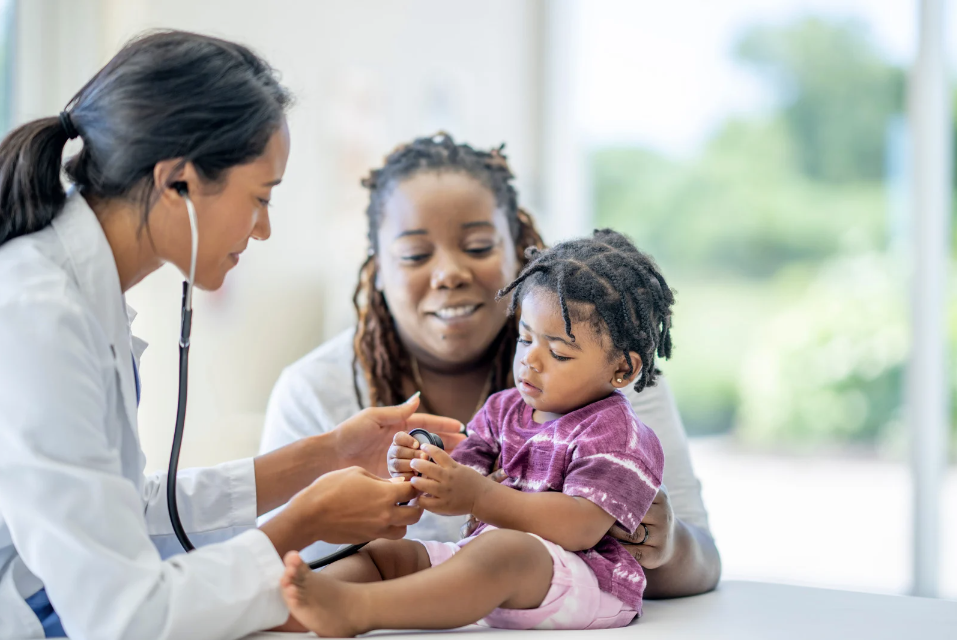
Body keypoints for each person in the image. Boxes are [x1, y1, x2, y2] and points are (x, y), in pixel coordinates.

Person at [0, 32, 460, 640]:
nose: (263, 230)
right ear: (178, 183)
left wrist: (328, 455)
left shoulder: (80, 293)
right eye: (260, 198)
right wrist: (303, 521)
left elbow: (124, 508)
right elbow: (125, 616)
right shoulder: (37, 314)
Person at [261, 133, 721, 597]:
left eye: (479, 247)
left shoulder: (607, 372)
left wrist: (668, 545)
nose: (449, 273)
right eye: (415, 255)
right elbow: (268, 566)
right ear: (377, 269)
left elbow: (704, 563)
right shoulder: (314, 390)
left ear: (522, 251)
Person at [278, 230, 671, 636]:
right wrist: (424, 466)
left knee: (503, 551)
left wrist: (481, 496)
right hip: (491, 570)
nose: (530, 361)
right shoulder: (503, 409)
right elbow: (462, 472)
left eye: (558, 353)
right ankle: (289, 607)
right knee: (388, 556)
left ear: (622, 369)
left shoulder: (619, 434)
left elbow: (580, 528)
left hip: (587, 582)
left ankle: (358, 610)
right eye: (525, 339)